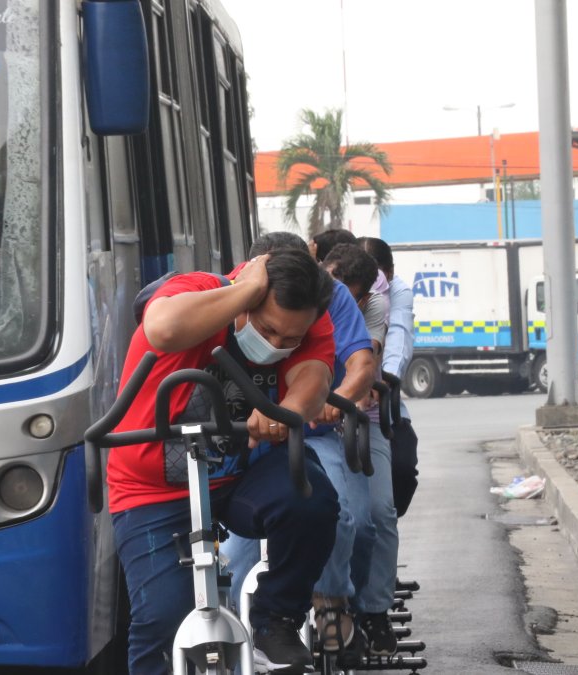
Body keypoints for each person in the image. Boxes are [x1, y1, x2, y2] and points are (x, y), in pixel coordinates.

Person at [109, 249, 339, 674]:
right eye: (267, 329)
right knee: (164, 618)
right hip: (150, 487)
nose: (275, 345)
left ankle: (275, 622)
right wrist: (247, 287)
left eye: (289, 339)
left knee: (310, 500)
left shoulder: (306, 314)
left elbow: (315, 378)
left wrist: (284, 408)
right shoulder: (200, 292)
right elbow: (162, 328)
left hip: (241, 474)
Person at [222, 233, 377, 667]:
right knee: (237, 553)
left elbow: (359, 364)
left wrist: (328, 400)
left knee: (348, 518)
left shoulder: (332, 301)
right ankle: (246, 631)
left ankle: (333, 604)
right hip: (250, 442)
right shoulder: (223, 298)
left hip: (313, 432)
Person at [322, 242, 400, 656]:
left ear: (365, 298)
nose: (331, 298)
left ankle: (371, 608)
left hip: (356, 422)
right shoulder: (304, 294)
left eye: (342, 294)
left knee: (374, 516)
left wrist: (345, 399)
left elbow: (365, 365)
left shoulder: (371, 310)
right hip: (308, 424)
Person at [359, 236, 420, 519]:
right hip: (335, 410)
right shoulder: (338, 292)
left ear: (389, 275)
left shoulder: (397, 293)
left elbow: (399, 335)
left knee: (402, 472)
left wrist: (384, 379)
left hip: (382, 402)